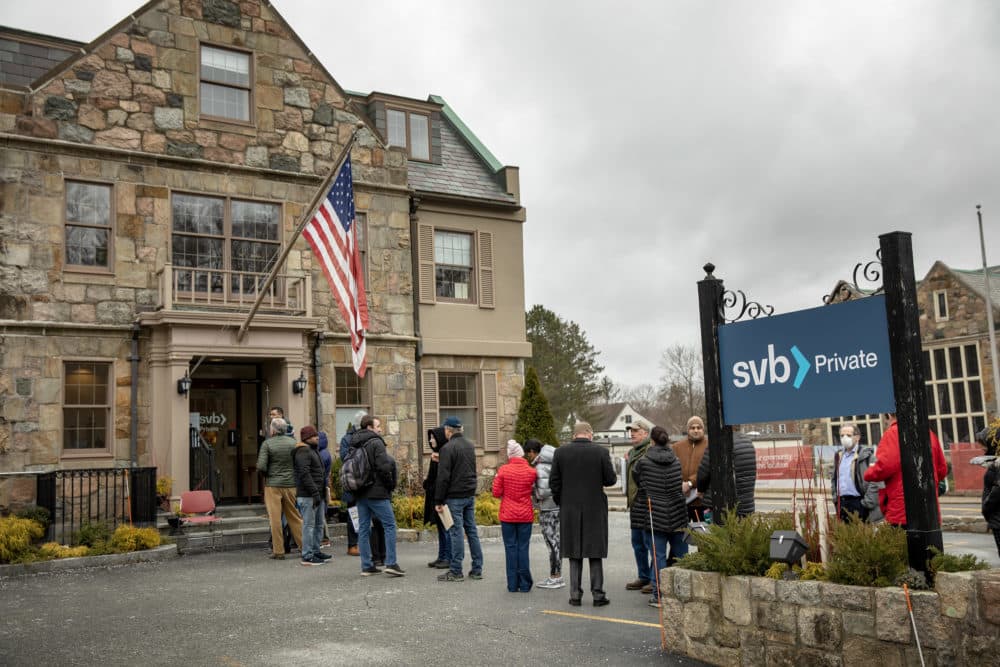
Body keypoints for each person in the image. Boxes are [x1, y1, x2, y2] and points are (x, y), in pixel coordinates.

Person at [550, 421, 617, 607]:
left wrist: (562, 501)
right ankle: (598, 594)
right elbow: (611, 480)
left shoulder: (560, 452)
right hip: (595, 507)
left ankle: (575, 595)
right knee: (595, 552)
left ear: (574, 435)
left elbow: (554, 482)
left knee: (574, 552)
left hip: (569, 508)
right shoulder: (601, 452)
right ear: (589, 433)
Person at [633, 426, 689, 608]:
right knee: (681, 555)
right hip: (677, 512)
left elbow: (637, 480)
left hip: (654, 513)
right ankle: (682, 592)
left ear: (652, 441)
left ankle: (658, 595)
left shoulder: (643, 462)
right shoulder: (676, 460)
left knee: (658, 556)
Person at [863, 413, 948, 528]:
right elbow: (942, 469)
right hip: (929, 507)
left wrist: (869, 473)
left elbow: (884, 466)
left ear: (888, 415)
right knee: (928, 544)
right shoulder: (928, 433)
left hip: (902, 509)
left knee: (904, 544)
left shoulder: (893, 433)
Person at [349, 415, 404, 576]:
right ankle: (391, 563)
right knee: (390, 525)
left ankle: (367, 565)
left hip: (360, 491)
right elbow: (384, 467)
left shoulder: (354, 442)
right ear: (369, 428)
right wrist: (389, 486)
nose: (380, 429)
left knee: (364, 528)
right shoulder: (376, 442)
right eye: (378, 426)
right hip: (377, 492)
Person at [434, 416, 484, 582]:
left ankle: (456, 571)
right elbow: (464, 467)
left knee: (456, 532)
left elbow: (443, 477)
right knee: (471, 531)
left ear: (448, 430)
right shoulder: (469, 445)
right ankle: (477, 569)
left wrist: (438, 501)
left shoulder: (447, 448)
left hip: (454, 496)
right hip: (469, 493)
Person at [493, 439, 537, 593]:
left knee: (510, 549)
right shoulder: (532, 471)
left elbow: (496, 492)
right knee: (523, 548)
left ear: (510, 455)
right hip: (525, 515)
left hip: (508, 515)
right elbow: (535, 491)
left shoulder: (503, 470)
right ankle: (525, 584)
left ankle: (512, 585)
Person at [256, 417, 304, 560]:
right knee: (294, 517)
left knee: (275, 519)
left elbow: (261, 466)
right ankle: (304, 547)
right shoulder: (294, 443)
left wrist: (267, 475)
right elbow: (299, 464)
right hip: (290, 485)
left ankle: (278, 551)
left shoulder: (267, 444)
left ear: (273, 430)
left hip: (273, 485)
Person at [340, 410, 384, 560]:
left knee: (367, 519)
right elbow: (345, 458)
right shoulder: (348, 439)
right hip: (355, 482)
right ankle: (353, 545)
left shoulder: (373, 439)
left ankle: (369, 550)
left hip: (368, 485)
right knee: (354, 515)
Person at [524, 438, 564, 589]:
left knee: (551, 542)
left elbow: (542, 492)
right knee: (557, 541)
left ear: (533, 452)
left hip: (547, 508)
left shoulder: (540, 466)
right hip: (557, 506)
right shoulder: (553, 459)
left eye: (528, 454)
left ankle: (555, 577)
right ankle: (557, 575)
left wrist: (534, 496)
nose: (529, 458)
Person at [696, 427, 757, 518]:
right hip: (746, 505)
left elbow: (703, 474)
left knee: (718, 531)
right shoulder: (748, 442)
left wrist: (700, 490)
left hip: (721, 506)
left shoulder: (717, 442)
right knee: (742, 532)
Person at [293, 425, 331, 565]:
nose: (318, 438)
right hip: (308, 495)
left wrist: (320, 493)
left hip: (317, 495)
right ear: (308, 438)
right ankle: (307, 555)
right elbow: (304, 473)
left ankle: (316, 551)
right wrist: (315, 492)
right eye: (315, 436)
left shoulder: (312, 450)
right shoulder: (302, 451)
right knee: (309, 526)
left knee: (318, 524)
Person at [623, 420, 653, 594]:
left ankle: (651, 577)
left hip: (646, 502)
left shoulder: (649, 451)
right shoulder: (632, 452)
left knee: (649, 543)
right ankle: (643, 576)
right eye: (631, 431)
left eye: (636, 430)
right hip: (635, 503)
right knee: (637, 543)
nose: (632, 433)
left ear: (645, 433)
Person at [830, 422, 879, 523]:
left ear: (857, 437)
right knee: (845, 536)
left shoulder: (867, 456)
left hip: (859, 503)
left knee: (861, 536)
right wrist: (835, 499)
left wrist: (866, 503)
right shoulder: (838, 456)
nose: (844, 438)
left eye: (848, 435)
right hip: (842, 503)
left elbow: (876, 480)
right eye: (842, 435)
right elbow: (834, 479)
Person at [423, 426, 452, 569]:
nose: (430, 440)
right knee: (441, 528)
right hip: (435, 495)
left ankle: (448, 557)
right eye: (430, 437)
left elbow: (444, 477)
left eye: (433, 437)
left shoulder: (443, 455)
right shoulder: (436, 454)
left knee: (446, 527)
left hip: (443, 497)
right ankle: (441, 556)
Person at [672, 416, 709, 522]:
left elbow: (708, 470)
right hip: (682, 501)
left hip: (702, 501)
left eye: (699, 427)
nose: (696, 430)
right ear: (688, 430)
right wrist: (681, 485)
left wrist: (690, 483)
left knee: (702, 534)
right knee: (682, 535)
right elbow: (672, 470)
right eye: (692, 428)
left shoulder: (709, 446)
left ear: (703, 429)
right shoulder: (677, 447)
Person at [975, 423, 1000, 558]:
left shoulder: (997, 465)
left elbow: (997, 491)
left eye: (985, 443)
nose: (982, 448)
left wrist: (986, 507)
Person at [317, 431, 332, 547]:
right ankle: (324, 537)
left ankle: (324, 538)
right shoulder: (325, 453)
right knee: (322, 513)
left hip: (321, 484)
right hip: (324, 483)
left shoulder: (322, 454)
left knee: (320, 513)